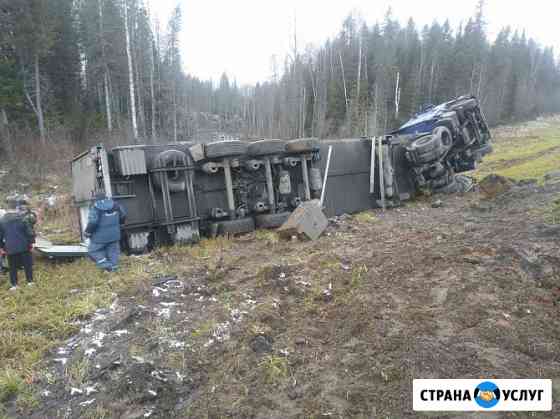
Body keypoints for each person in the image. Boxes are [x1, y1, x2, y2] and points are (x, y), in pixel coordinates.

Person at [85, 192, 126, 272]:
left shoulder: (95, 207)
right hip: (115, 235)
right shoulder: (116, 205)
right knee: (113, 252)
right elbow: (123, 215)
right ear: (106, 197)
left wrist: (87, 232)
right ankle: (114, 270)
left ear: (95, 199)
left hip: (99, 237)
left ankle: (107, 266)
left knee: (93, 251)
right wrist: (121, 225)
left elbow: (93, 222)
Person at [0, 198, 35, 290]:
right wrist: (31, 243)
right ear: (16, 207)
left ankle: (14, 285)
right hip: (24, 245)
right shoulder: (22, 218)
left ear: (7, 208)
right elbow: (29, 232)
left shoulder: (2, 220)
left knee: (12, 267)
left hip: (10, 247)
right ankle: (30, 281)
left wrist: (2, 247)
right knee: (27, 265)